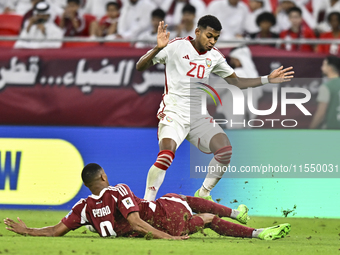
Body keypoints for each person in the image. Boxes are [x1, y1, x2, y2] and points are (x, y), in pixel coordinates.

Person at [136, 15, 294, 202]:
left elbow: (236, 82)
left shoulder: (215, 57)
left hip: (198, 116)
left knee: (225, 151)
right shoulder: (176, 46)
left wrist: (267, 79)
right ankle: (148, 202)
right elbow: (140, 66)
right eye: (209, 36)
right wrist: (157, 48)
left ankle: (203, 194)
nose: (212, 41)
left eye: (216, 38)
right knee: (166, 155)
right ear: (197, 32)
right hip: (173, 112)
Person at [4, 163, 291, 240]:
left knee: (202, 218)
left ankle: (248, 225)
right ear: (103, 175)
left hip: (162, 228)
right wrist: (166, 237)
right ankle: (246, 223)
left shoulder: (82, 208)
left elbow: (55, 230)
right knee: (186, 201)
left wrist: (27, 230)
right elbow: (135, 220)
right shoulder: (119, 190)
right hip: (164, 218)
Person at [215, 46, 263, 129]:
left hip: (229, 119)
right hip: (247, 121)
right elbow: (259, 94)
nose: (231, 61)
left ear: (238, 60)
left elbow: (212, 91)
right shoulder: (254, 76)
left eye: (233, 59)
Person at [310, 55, 340, 129]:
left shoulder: (326, 87)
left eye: (324, 65)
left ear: (330, 68)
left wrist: (311, 129)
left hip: (330, 130)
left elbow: (321, 113)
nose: (321, 68)